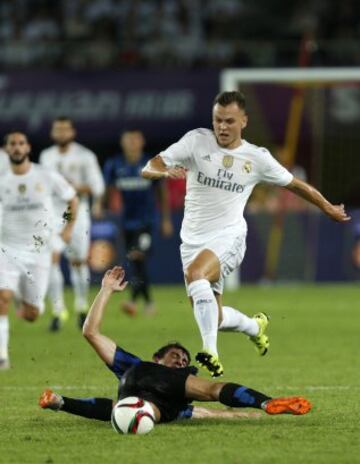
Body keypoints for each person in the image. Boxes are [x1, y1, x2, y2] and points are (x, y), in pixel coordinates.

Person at [141, 90, 351, 378]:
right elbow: (150, 166)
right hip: (191, 241)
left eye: (229, 121)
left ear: (244, 121)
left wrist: (327, 207)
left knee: (196, 275)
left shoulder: (256, 158)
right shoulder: (195, 141)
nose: (222, 127)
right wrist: (164, 173)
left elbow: (296, 185)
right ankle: (255, 327)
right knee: (212, 316)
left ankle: (210, 353)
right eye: (217, 120)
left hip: (230, 236)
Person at [39, 266, 312, 423]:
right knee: (124, 409)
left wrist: (255, 410)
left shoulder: (171, 383)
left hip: (154, 405)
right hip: (141, 405)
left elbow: (210, 410)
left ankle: (266, 403)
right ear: (157, 359)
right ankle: (266, 403)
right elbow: (90, 332)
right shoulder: (133, 365)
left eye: (184, 360)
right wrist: (106, 289)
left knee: (209, 390)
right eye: (176, 355)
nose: (182, 361)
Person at [0, 131, 78, 370]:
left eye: (20, 143)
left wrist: (67, 228)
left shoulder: (45, 175)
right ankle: (2, 356)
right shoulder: (2, 179)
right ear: (7, 149)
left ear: (28, 148)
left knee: (32, 314)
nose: (16, 147)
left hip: (39, 251)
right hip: (7, 248)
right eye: (12, 144)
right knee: (2, 298)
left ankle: (24, 301)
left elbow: (72, 199)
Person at [40, 116, 105, 331]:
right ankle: (58, 311)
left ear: (72, 132)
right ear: (52, 133)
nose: (61, 133)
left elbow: (97, 187)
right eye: (57, 129)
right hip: (52, 213)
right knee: (52, 260)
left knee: (78, 262)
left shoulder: (85, 156)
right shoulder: (46, 156)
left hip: (76, 212)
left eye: (65, 129)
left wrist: (72, 187)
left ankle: (81, 305)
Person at [103, 129, 173, 316]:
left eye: (136, 140)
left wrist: (165, 219)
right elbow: (108, 190)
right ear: (122, 143)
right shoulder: (114, 165)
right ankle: (147, 303)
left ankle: (135, 301)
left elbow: (162, 192)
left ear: (142, 142)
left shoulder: (150, 164)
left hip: (147, 221)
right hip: (126, 223)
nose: (133, 144)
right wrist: (102, 208)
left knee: (138, 256)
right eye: (129, 140)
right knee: (137, 264)